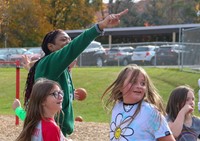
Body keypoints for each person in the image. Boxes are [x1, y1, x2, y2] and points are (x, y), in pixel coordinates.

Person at [13, 8, 129, 137]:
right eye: (63, 40)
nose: (68, 43)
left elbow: (40, 76)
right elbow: (74, 47)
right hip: (51, 131)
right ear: (51, 47)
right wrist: (100, 26)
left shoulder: (55, 68)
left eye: (69, 40)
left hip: (56, 130)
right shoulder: (50, 63)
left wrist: (70, 93)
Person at [102, 64, 175, 141]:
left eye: (143, 83)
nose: (139, 86)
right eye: (133, 82)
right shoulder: (117, 107)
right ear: (120, 86)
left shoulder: (150, 112)